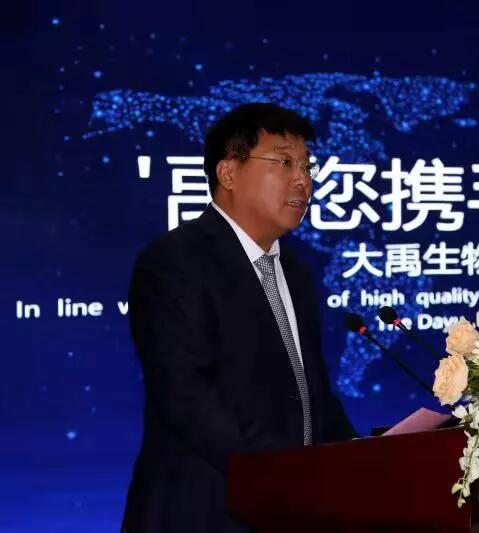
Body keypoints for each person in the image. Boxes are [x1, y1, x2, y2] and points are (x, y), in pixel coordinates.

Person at [121, 103, 356, 532]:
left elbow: (312, 395)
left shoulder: (296, 273)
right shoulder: (174, 263)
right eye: (284, 162)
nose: (303, 180)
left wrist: (363, 460)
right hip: (206, 511)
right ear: (229, 173)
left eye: (307, 166)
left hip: (292, 510)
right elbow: (187, 398)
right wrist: (280, 479)